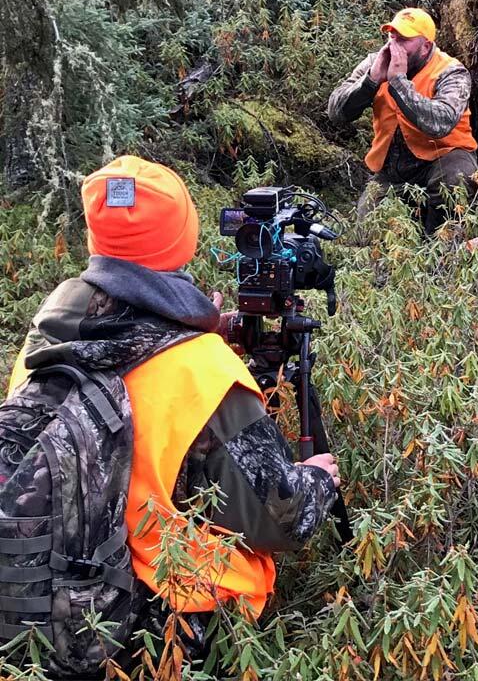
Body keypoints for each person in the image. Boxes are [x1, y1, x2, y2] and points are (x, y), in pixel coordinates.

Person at [6, 156, 340, 642]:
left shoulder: (42, 345)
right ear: (182, 240)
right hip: (155, 627)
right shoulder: (201, 370)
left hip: (42, 592)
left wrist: (191, 330)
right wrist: (316, 481)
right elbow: (280, 521)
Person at [328, 7, 478, 232]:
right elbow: (336, 113)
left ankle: (443, 252)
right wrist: (370, 82)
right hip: (392, 169)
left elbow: (441, 123)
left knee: (455, 181)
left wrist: (398, 82)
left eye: (404, 40)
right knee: (365, 232)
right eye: (392, 37)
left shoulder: (451, 71)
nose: (393, 46)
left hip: (442, 157)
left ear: (426, 46)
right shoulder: (375, 62)